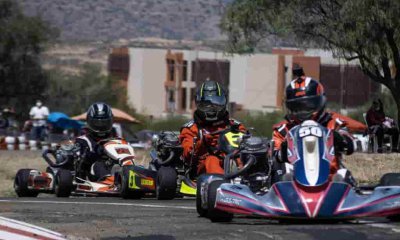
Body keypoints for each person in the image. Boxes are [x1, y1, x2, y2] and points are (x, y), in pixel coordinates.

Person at [272, 66, 354, 182]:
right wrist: (284, 149)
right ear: (290, 107)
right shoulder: (282, 130)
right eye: (298, 107)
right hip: (293, 186)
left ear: (320, 102)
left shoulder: (333, 124)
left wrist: (341, 139)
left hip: (331, 183)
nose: (303, 111)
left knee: (343, 175)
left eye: (308, 106)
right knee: (282, 172)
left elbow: (351, 147)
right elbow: (274, 157)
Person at [179, 80, 246, 176]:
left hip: (231, 161)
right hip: (201, 169)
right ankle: (221, 185)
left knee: (244, 158)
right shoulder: (191, 128)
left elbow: (246, 145)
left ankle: (256, 182)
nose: (211, 109)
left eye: (216, 104)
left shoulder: (235, 126)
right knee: (212, 160)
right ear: (198, 104)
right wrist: (201, 143)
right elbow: (187, 155)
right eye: (206, 105)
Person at [75, 102, 116, 181]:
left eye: (104, 123)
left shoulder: (115, 139)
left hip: (114, 168)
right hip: (92, 173)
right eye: (97, 123)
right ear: (89, 121)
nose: (101, 126)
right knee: (99, 165)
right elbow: (80, 161)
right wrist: (98, 152)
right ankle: (108, 181)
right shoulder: (83, 140)